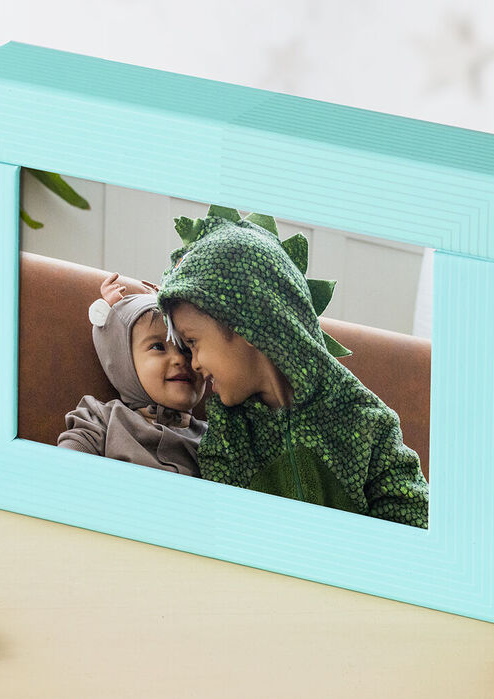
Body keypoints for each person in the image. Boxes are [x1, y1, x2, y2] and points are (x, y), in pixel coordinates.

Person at [155, 206, 429, 528]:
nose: (195, 363)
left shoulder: (365, 421)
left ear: (247, 325)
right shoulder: (227, 439)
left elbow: (414, 520)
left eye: (194, 343)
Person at [58, 272, 208, 475]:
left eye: (186, 348)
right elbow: (63, 472)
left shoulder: (214, 438)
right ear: (123, 360)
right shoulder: (101, 420)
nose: (180, 359)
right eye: (158, 346)